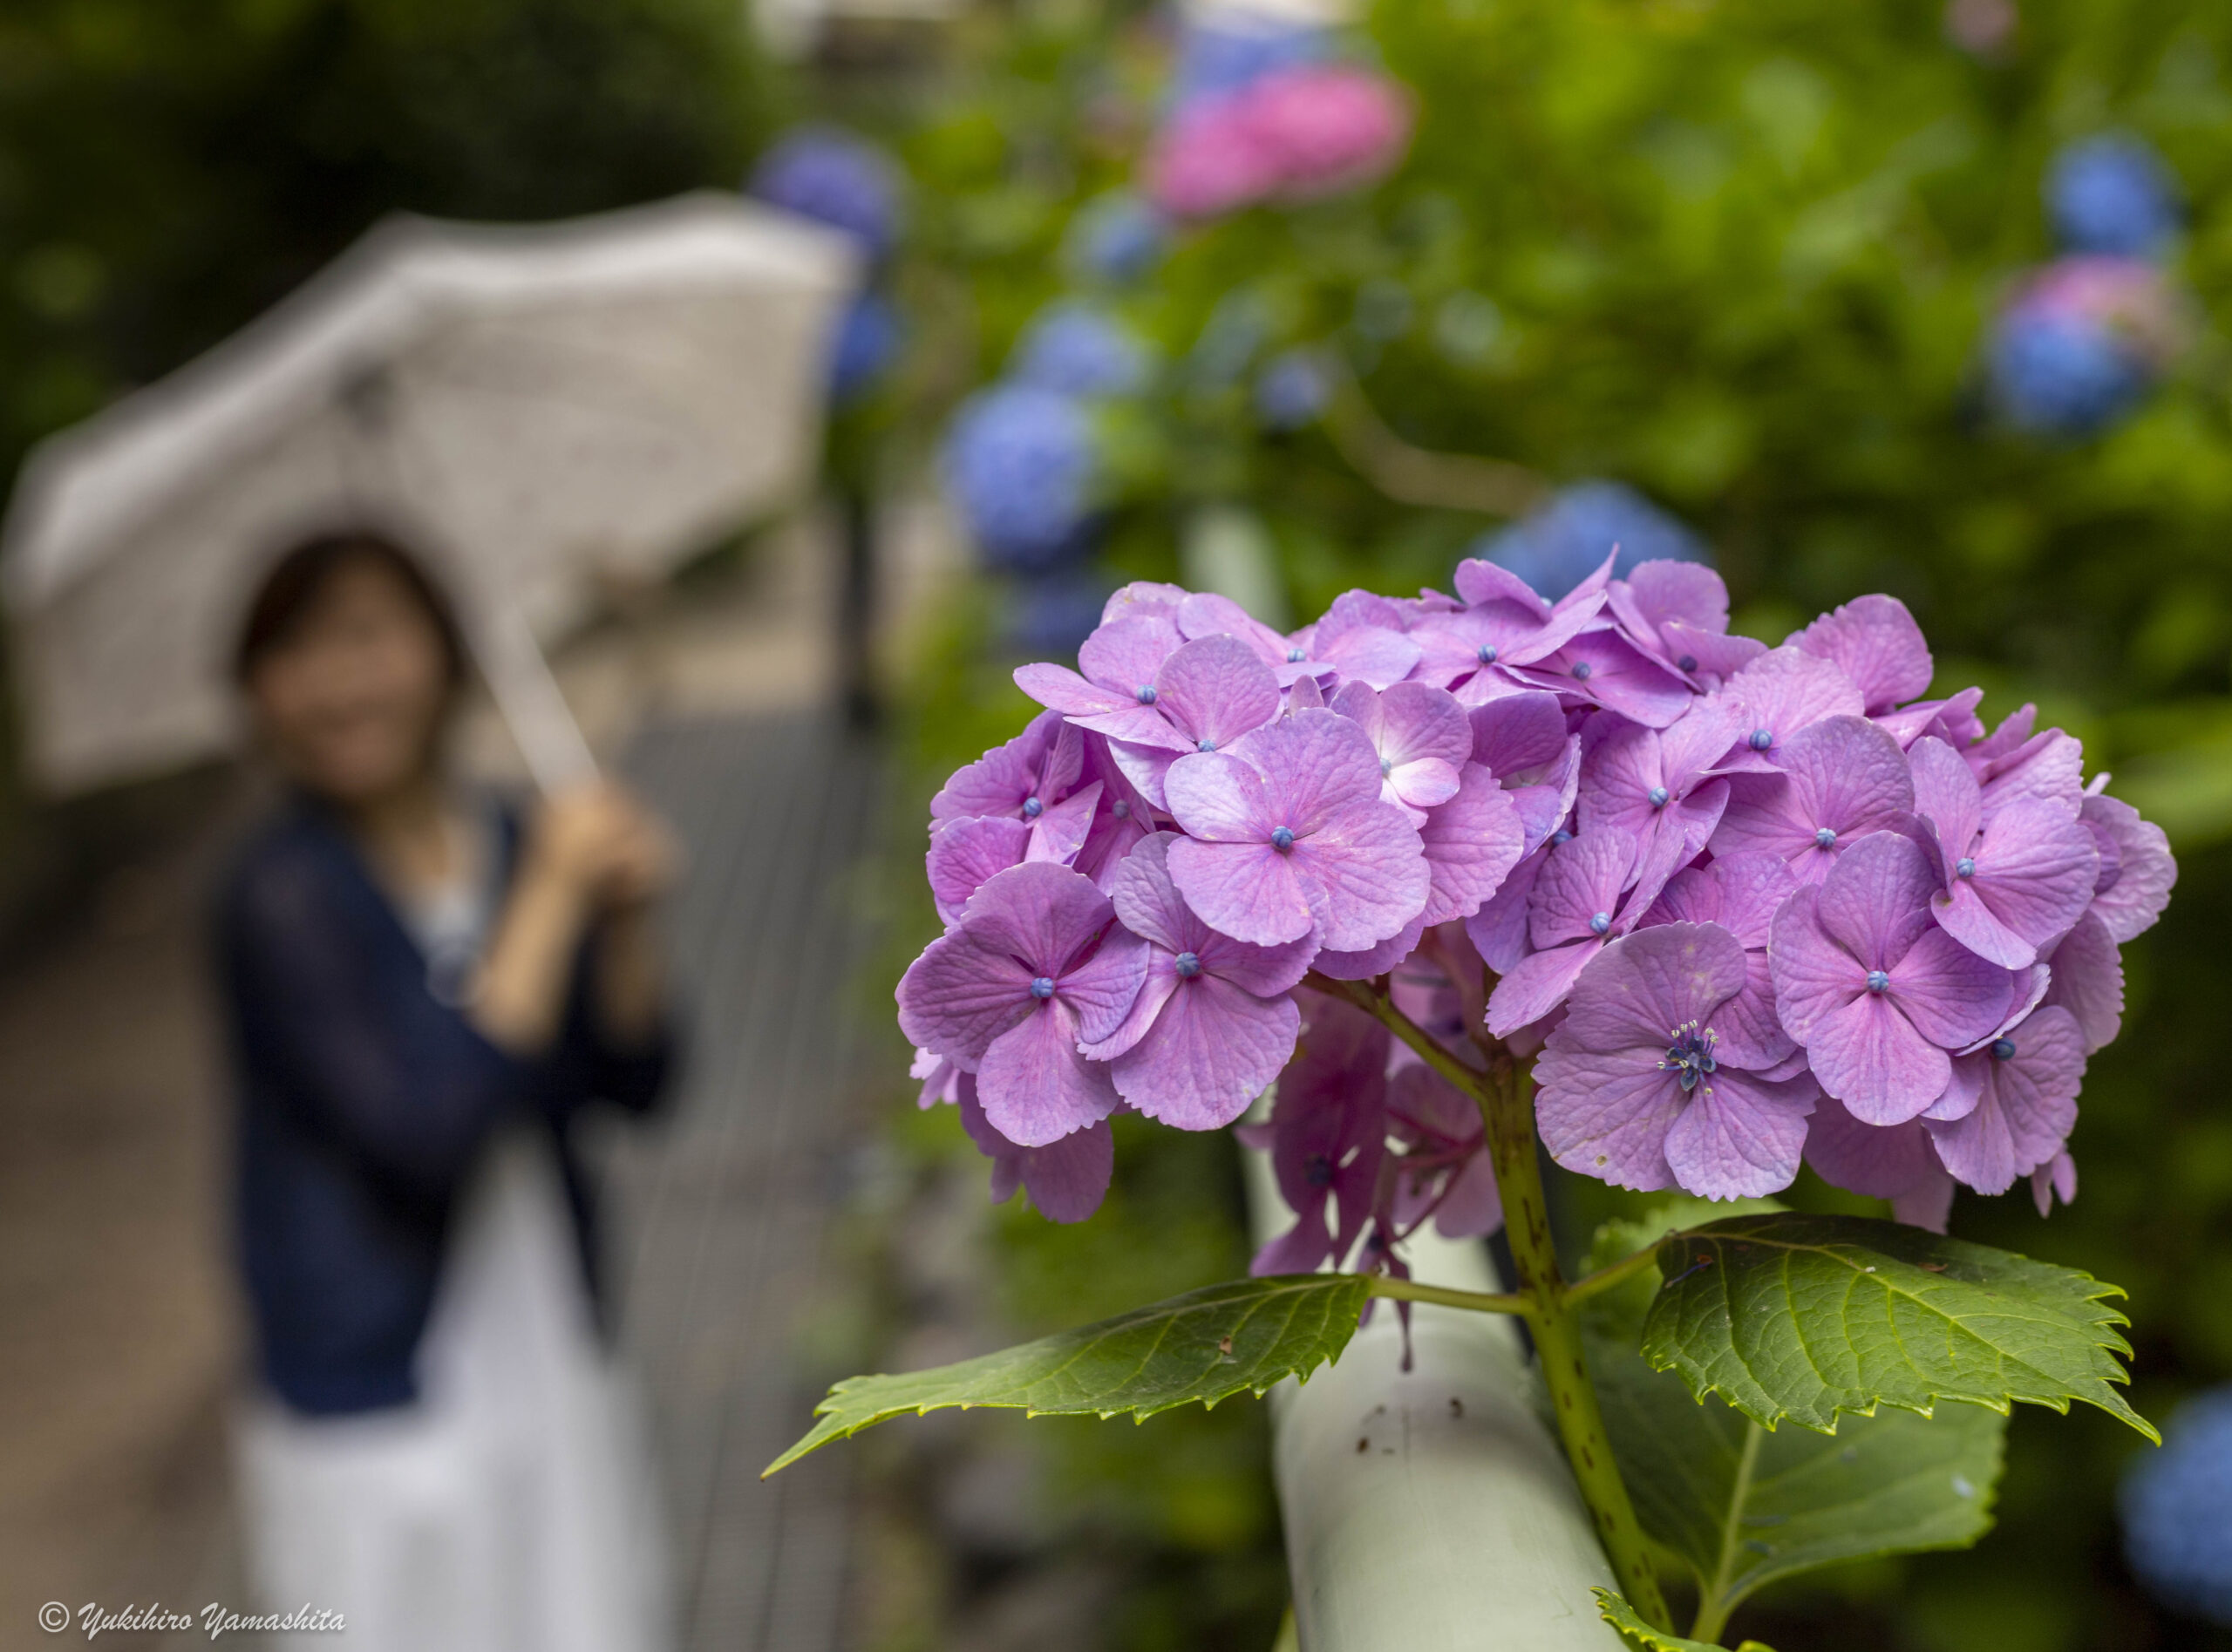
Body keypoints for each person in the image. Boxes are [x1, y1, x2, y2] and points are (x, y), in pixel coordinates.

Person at [214, 530, 678, 1652]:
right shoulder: (275, 895)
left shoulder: (518, 833)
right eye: (298, 647)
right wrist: (553, 898)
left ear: (444, 649)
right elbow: (424, 1125)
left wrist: (624, 925)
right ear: (258, 689)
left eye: (369, 633)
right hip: (376, 1382)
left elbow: (636, 1083)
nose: (339, 680)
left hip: (547, 1333)